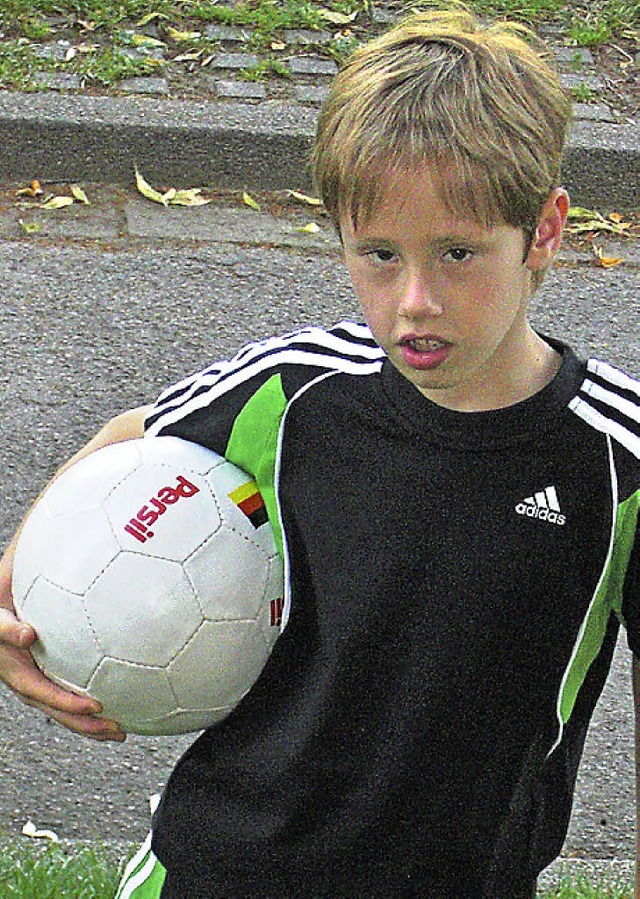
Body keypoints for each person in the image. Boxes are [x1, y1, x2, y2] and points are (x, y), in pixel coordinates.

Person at [1, 6, 638, 897]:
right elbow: (128, 443)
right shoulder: (296, 388)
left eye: (457, 253)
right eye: (378, 254)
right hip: (220, 869)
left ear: (545, 229)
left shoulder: (616, 458)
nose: (414, 299)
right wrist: (18, 587)